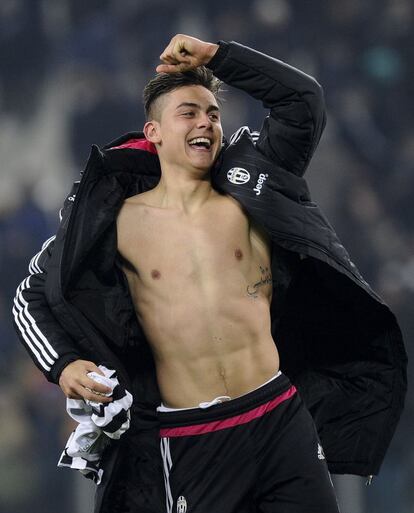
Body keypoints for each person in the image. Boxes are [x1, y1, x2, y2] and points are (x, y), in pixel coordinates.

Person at [12, 34, 407, 513]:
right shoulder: (112, 220)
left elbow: (304, 103)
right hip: (194, 437)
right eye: (189, 113)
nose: (205, 123)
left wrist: (217, 56)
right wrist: (64, 365)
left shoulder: (252, 187)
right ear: (153, 132)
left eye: (213, 114)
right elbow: (30, 294)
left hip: (280, 415)